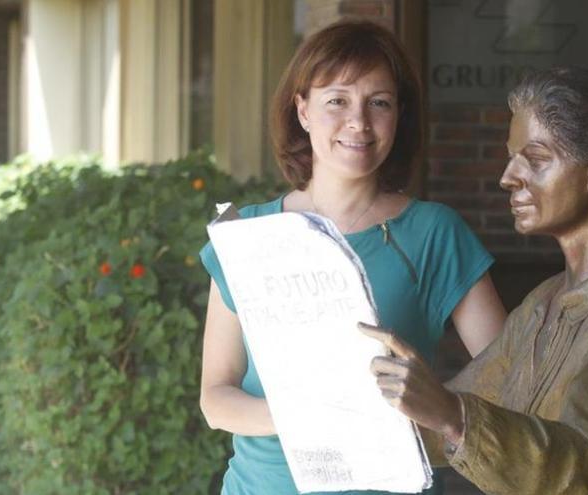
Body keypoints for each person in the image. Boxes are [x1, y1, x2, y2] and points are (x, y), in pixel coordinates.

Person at [361, 67, 588, 494]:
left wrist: (452, 415)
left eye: (536, 159)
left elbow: (577, 461)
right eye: (512, 157)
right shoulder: (544, 303)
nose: (509, 176)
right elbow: (466, 403)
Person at [198, 20, 507, 495]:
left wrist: (435, 405)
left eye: (378, 102)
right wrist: (312, 415)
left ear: (399, 114)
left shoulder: (433, 233)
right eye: (336, 100)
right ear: (302, 110)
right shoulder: (249, 235)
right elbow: (216, 399)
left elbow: (509, 378)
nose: (358, 122)